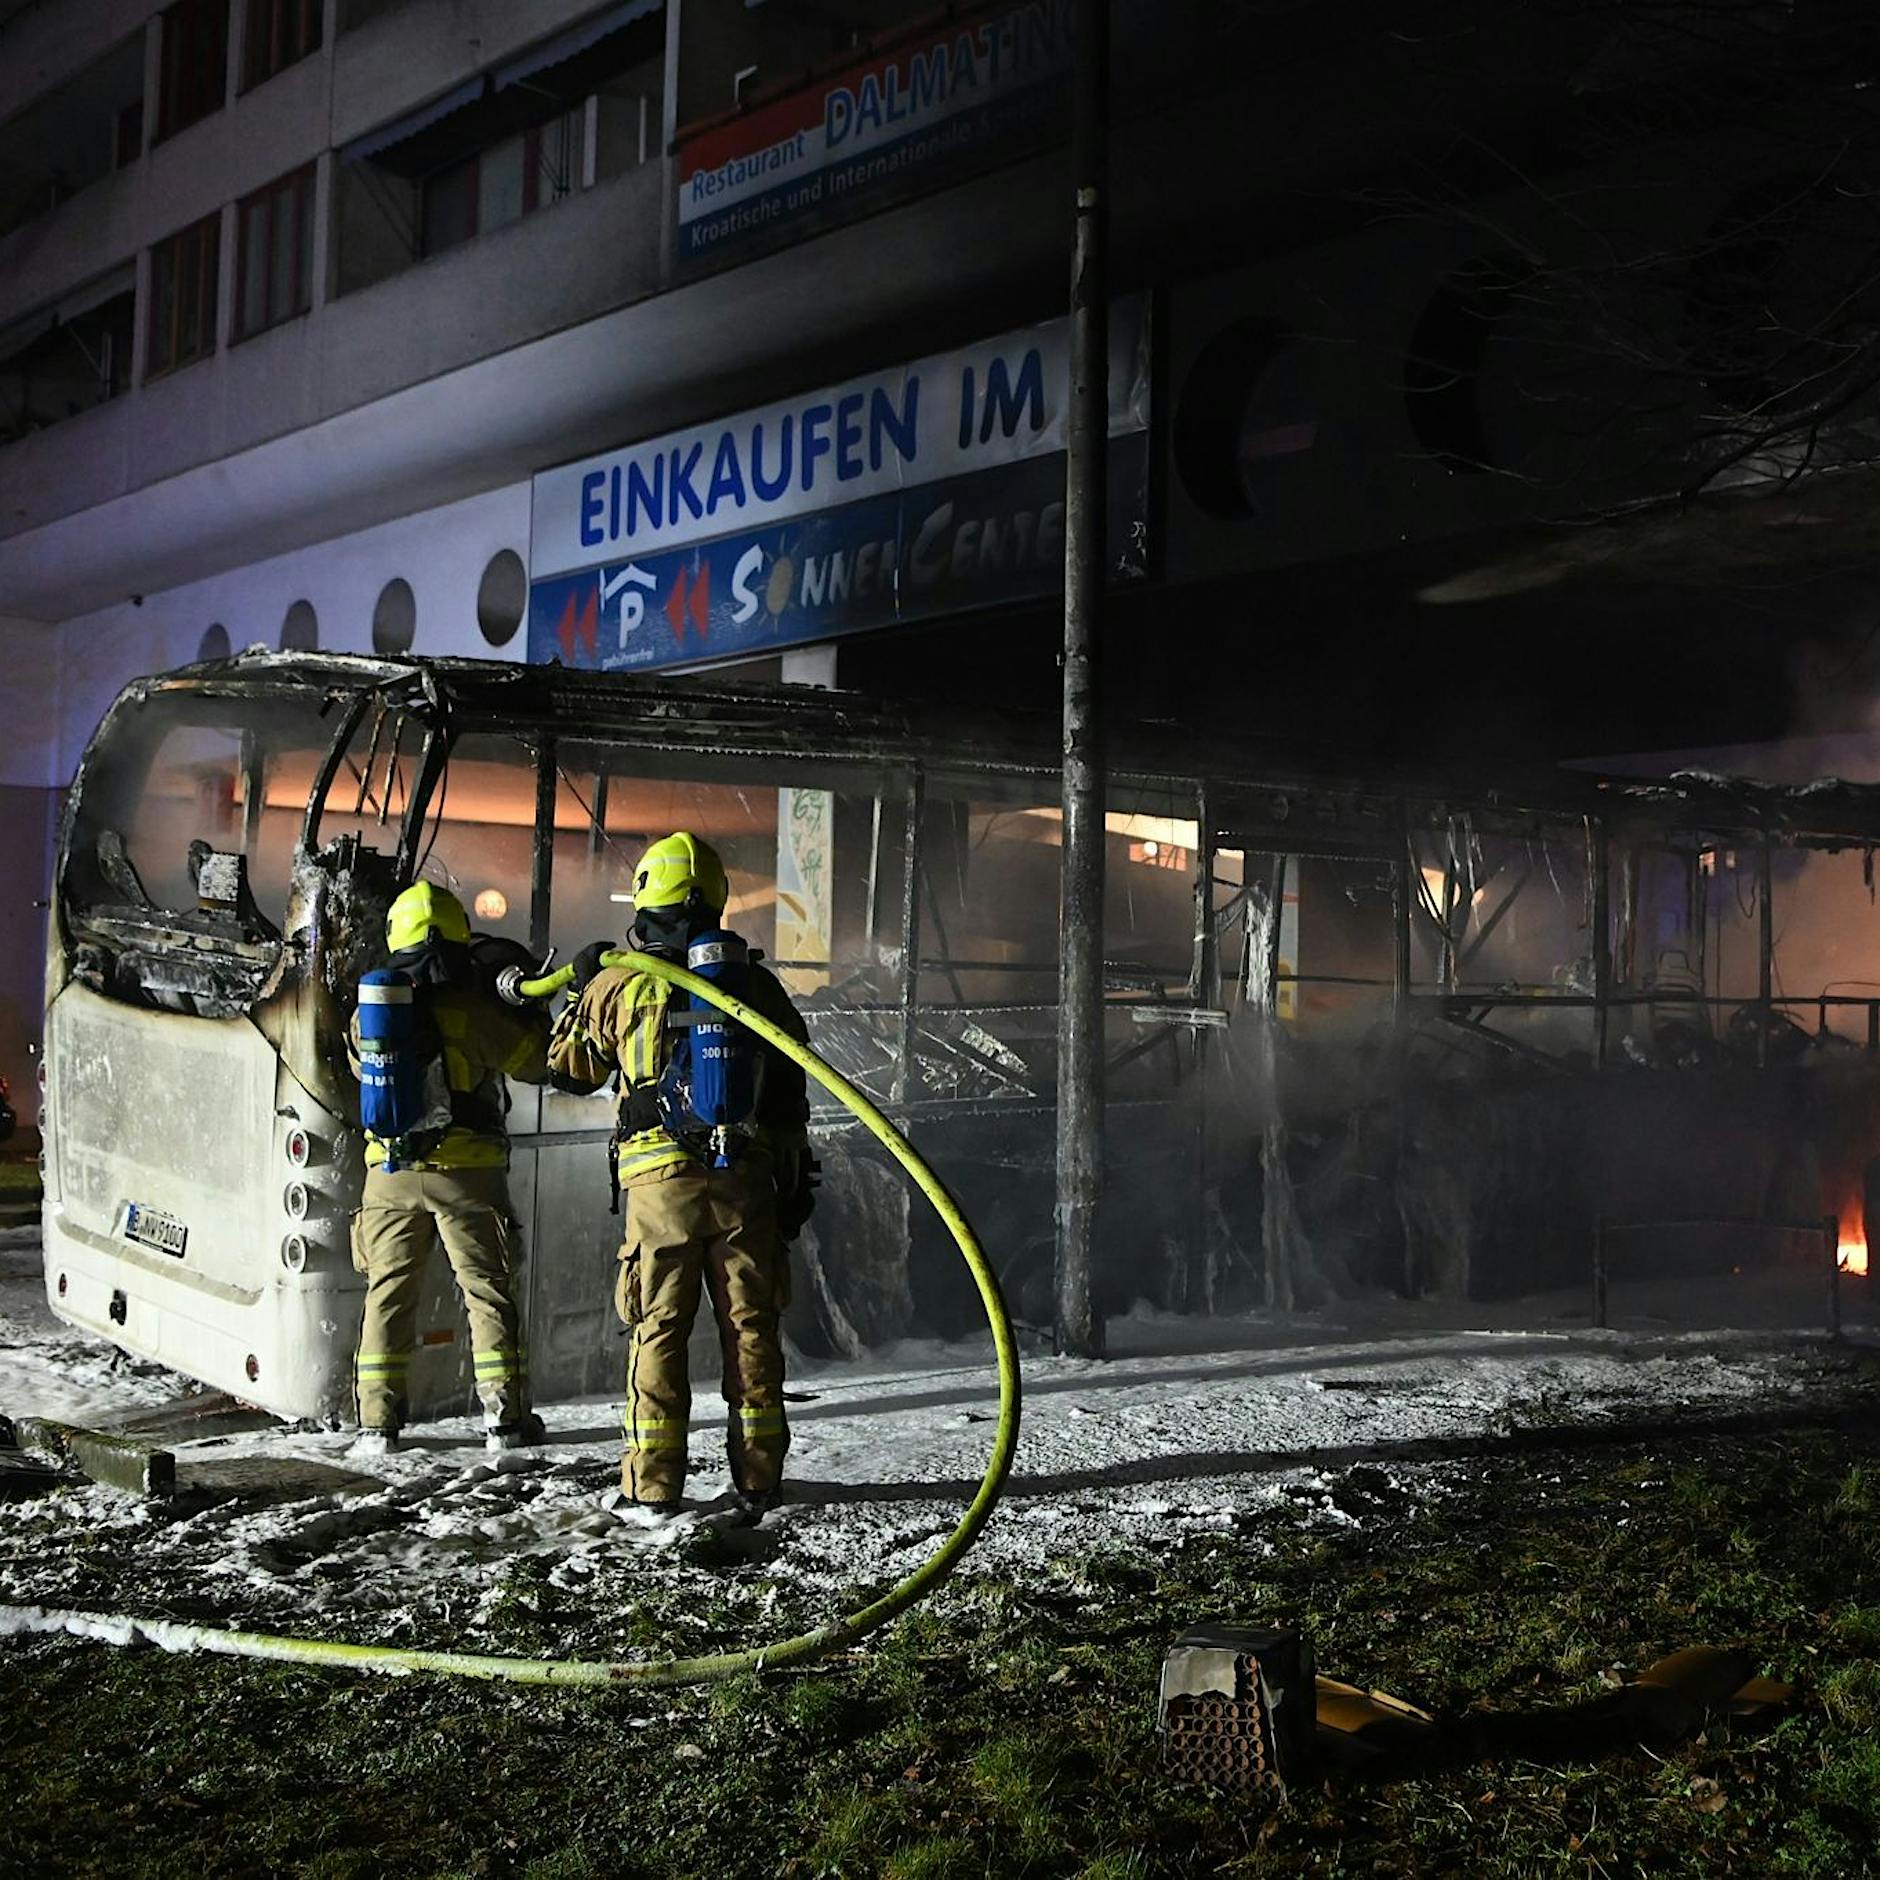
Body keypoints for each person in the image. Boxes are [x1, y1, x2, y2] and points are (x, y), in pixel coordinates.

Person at [548, 831, 816, 1520]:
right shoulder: (752, 983)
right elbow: (792, 1085)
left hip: (657, 1185)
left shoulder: (619, 981)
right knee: (751, 1328)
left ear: (646, 895)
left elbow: (568, 1071)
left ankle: (651, 1486)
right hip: (744, 1178)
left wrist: (580, 988)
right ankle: (760, 1480)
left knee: (659, 1327)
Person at [347, 881, 550, 1456]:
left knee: (387, 1294)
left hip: (388, 1171)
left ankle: (377, 1425)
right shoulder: (471, 1009)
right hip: (468, 1170)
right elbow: (537, 1062)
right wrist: (526, 1006)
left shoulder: (371, 1014)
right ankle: (505, 1422)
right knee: (486, 1291)